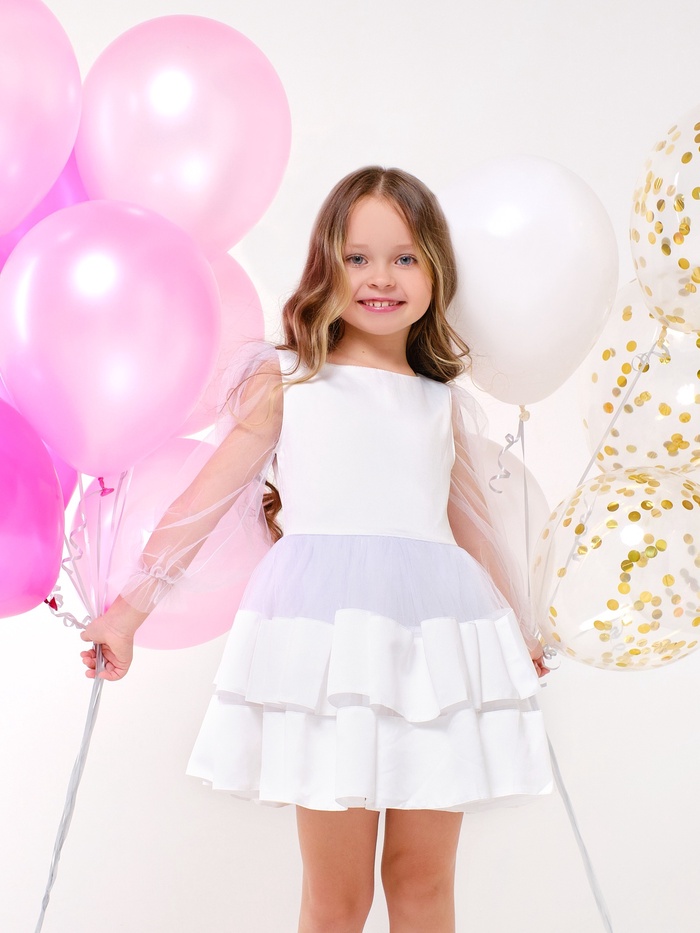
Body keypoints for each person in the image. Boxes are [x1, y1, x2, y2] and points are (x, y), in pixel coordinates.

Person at [80, 166, 553, 933]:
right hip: (328, 645)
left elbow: (472, 528)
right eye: (358, 257)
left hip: (432, 642)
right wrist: (128, 611)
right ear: (326, 266)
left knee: (423, 878)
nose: (381, 277)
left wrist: (518, 631)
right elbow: (203, 499)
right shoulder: (292, 382)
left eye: (404, 258)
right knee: (338, 896)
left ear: (437, 269)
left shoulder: (438, 402)